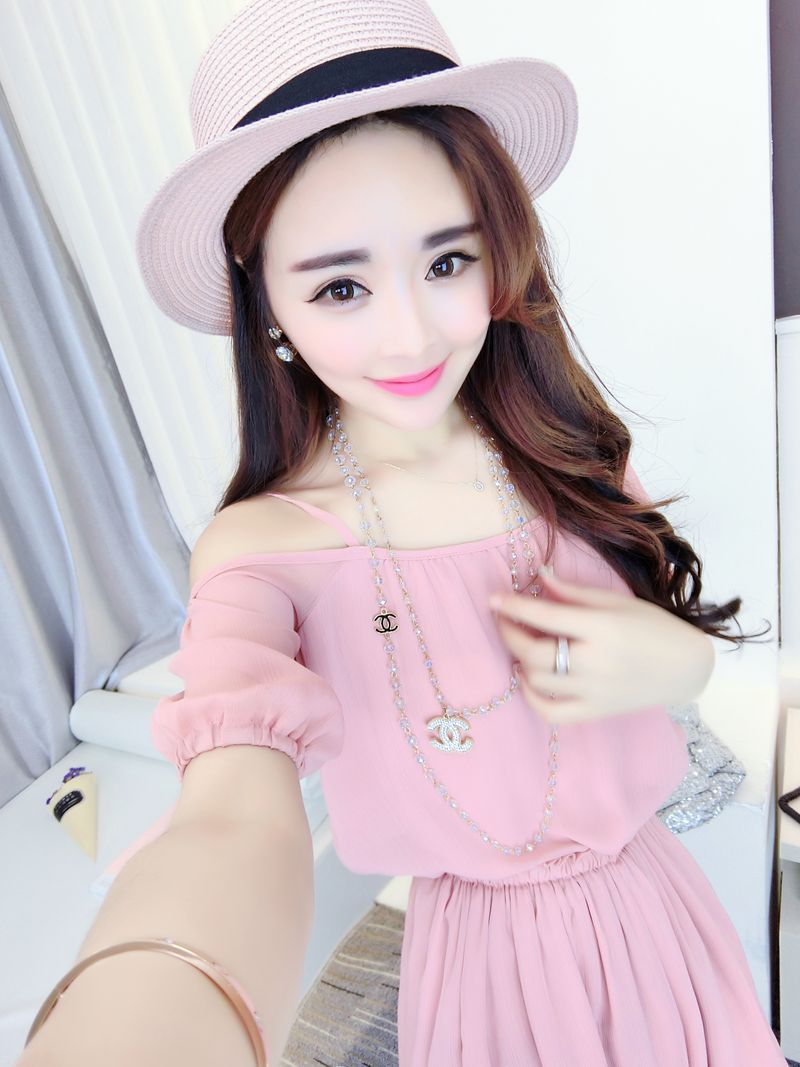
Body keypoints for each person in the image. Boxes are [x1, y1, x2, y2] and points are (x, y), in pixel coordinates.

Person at [18, 1, 788, 1065]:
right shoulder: (262, 549)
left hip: (663, 922)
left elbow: (676, 656)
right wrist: (144, 1009)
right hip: (484, 980)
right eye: (341, 285)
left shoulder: (572, 455)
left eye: (445, 263)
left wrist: (675, 658)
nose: (411, 333)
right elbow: (232, 810)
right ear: (267, 305)